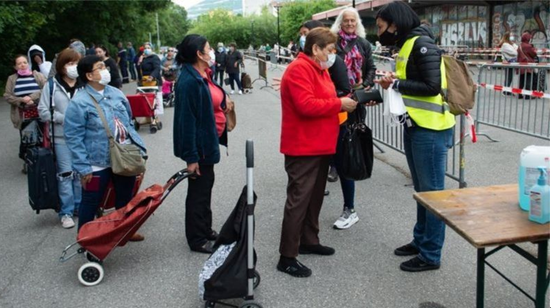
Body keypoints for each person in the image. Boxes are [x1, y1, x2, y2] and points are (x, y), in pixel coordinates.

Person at [375, 1, 455, 272]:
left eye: (381, 26)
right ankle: (421, 240)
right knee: (423, 192)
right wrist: (393, 80)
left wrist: (395, 83)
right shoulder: (408, 44)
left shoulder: (422, 44)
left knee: (432, 195)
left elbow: (432, 87)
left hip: (431, 129)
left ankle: (431, 254)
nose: (380, 32)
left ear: (394, 24)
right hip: (417, 125)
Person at [277, 27, 357, 278]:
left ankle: (309, 240)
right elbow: (306, 105)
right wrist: (339, 104)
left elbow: (325, 99)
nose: (332, 55)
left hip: (319, 144)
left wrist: (351, 100)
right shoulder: (300, 69)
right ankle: (287, 256)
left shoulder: (318, 69)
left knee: (313, 198)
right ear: (316, 49)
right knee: (299, 200)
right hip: (303, 146)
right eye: (330, 50)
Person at [63, 55, 147, 241]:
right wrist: (83, 168)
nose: (105, 70)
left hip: (123, 155)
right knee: (91, 201)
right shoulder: (79, 103)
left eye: (104, 66)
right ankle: (86, 239)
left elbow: (129, 122)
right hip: (96, 162)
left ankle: (124, 231)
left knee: (125, 197)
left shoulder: (116, 93)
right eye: (100, 67)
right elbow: (73, 138)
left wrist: (138, 147)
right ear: (89, 76)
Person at [173, 34, 234, 254]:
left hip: (209, 142)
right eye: (209, 49)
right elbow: (187, 122)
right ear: (199, 54)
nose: (212, 52)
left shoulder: (203, 74)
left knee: (205, 188)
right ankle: (197, 238)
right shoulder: (189, 81)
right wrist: (191, 158)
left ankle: (205, 229)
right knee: (198, 193)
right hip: (199, 148)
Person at [329, 7, 377, 229]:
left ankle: (350, 208)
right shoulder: (333, 43)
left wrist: (366, 86)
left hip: (355, 102)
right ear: (340, 22)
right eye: (346, 20)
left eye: (352, 20)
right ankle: (333, 165)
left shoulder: (364, 44)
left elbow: (371, 68)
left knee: (347, 146)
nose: (349, 23)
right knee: (332, 146)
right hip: (335, 100)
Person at [37, 48, 83, 229]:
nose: (74, 67)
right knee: (65, 175)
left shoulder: (83, 84)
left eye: (76, 63)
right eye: (70, 63)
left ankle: (80, 206)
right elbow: (42, 111)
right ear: (62, 66)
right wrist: (62, 118)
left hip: (82, 137)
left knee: (81, 174)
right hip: (61, 138)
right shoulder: (51, 86)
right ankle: (66, 211)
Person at [4, 55, 47, 172]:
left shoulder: (37, 75)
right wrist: (21, 100)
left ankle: (42, 162)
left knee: (41, 138)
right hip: (23, 114)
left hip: (39, 111)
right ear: (15, 66)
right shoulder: (12, 78)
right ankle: (28, 162)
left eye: (24, 62)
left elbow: (47, 88)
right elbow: (7, 96)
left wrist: (32, 97)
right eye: (19, 63)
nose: (22, 65)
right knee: (27, 139)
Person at [517, 32, 538, 99]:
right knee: (528, 81)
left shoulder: (519, 46)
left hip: (521, 65)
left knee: (521, 80)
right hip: (528, 65)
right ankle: (527, 95)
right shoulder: (528, 46)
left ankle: (519, 94)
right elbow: (534, 54)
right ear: (528, 38)